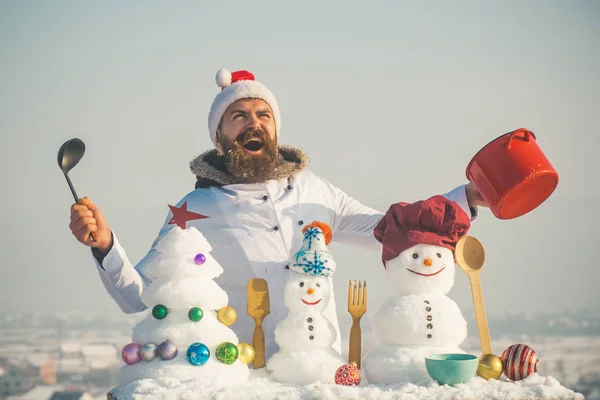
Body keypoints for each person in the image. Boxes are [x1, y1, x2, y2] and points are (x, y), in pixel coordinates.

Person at [69, 68, 488, 360]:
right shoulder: (194, 211)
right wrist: (105, 246)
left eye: (263, 115)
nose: (254, 124)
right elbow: (139, 295)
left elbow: (392, 231)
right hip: (242, 378)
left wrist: (468, 197)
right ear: (219, 139)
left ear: (275, 129)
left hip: (316, 372)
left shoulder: (314, 190)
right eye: (239, 116)